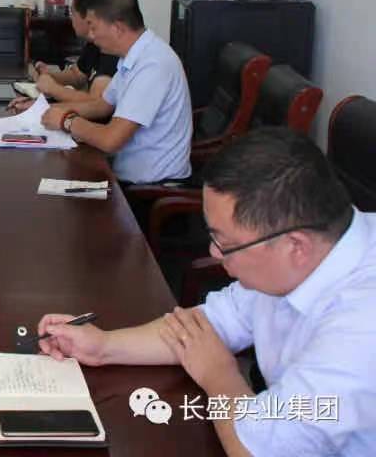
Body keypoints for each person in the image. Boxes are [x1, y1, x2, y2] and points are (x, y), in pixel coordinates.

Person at [37, 128, 376, 456]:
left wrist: (219, 375)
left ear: (295, 246)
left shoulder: (361, 328)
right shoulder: (297, 251)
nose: (214, 253)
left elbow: (257, 450)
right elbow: (204, 327)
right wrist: (104, 347)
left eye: (225, 243)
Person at [39, 0, 192, 184]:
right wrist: (43, 110)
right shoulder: (133, 56)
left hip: (150, 189)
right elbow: (102, 105)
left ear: (118, 28)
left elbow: (111, 140)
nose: (91, 36)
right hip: (124, 174)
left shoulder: (153, 65)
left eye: (93, 27)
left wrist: (67, 121)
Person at [8, 0, 117, 110]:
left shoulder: (111, 49)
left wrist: (53, 90)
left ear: (89, 16)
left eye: (72, 12)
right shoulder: (93, 43)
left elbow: (97, 104)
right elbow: (78, 75)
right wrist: (48, 76)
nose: (71, 18)